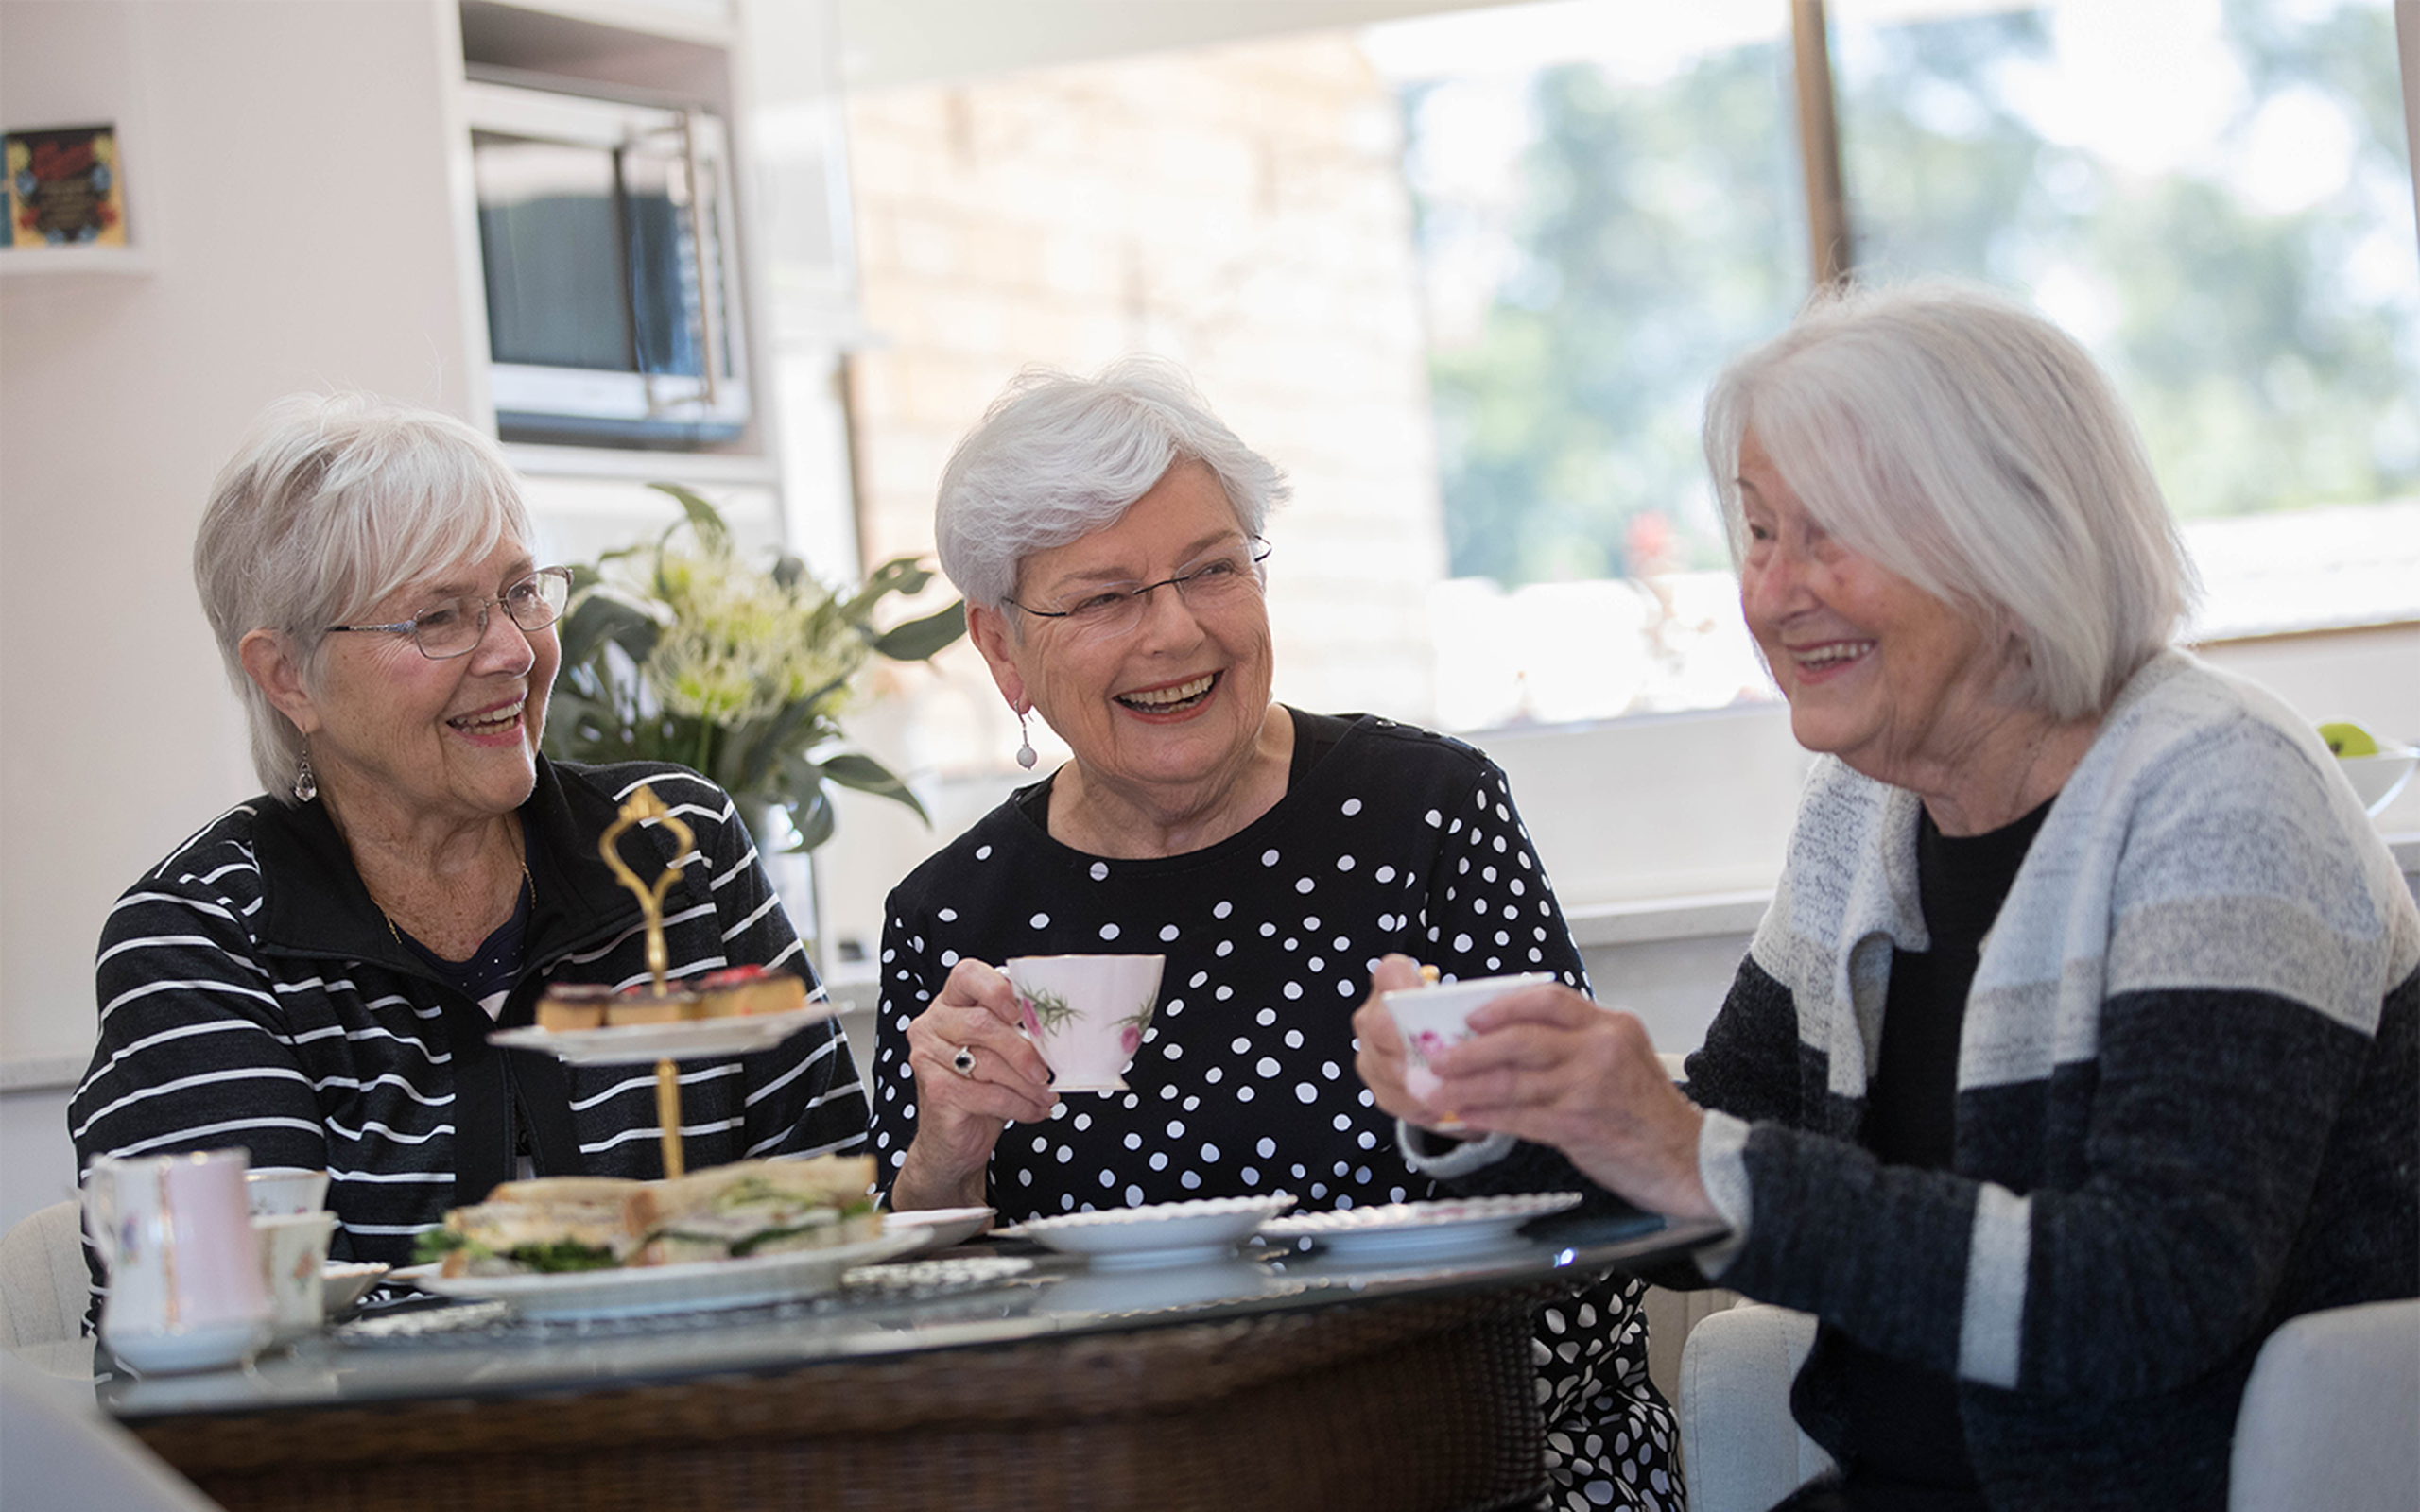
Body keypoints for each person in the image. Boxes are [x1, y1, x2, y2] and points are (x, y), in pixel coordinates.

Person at [1353, 282, 2420, 1512]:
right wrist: (1500, 1101)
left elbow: (2149, 1299)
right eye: (1759, 532)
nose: (1775, 588)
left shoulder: (2221, 793)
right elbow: (1712, 1141)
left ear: (2017, 537)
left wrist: (1685, 1149)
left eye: (1833, 533)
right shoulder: (1864, 810)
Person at [870, 358, 1679, 1512]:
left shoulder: (1427, 816)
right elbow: (909, 1350)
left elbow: (1596, 1233)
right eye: (1104, 597)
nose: (1174, 631)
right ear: (1001, 648)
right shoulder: (955, 917)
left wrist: (1471, 1126)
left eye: (1210, 570)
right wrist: (944, 1162)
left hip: (1478, 1466)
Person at [70, 394, 867, 1287]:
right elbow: (235, 1324)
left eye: (520, 593)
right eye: (439, 617)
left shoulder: (673, 845)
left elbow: (835, 1208)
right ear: (289, 676)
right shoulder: (205, 934)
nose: (515, 651)